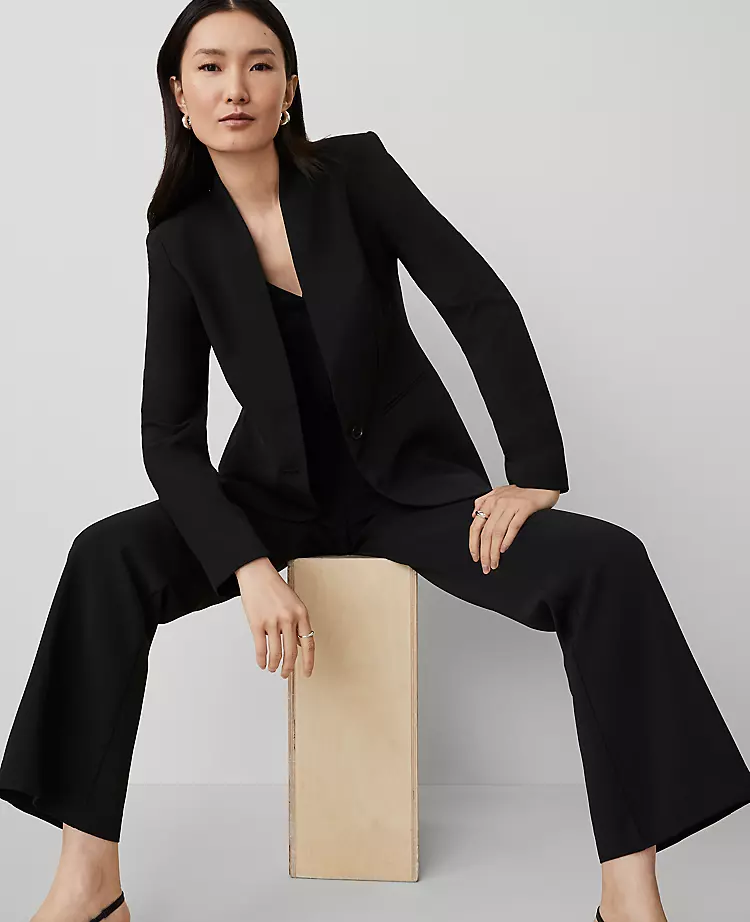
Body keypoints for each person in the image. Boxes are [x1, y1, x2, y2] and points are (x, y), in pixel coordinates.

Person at [2, 2, 750, 921]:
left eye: (259, 64)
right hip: (270, 499)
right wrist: (248, 567)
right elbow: (170, 437)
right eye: (210, 67)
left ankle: (628, 894)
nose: (236, 87)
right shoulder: (182, 239)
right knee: (103, 557)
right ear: (179, 94)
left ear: (289, 87)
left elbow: (476, 301)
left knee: (608, 563)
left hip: (413, 495)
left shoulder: (353, 173)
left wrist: (534, 470)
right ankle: (90, 883)